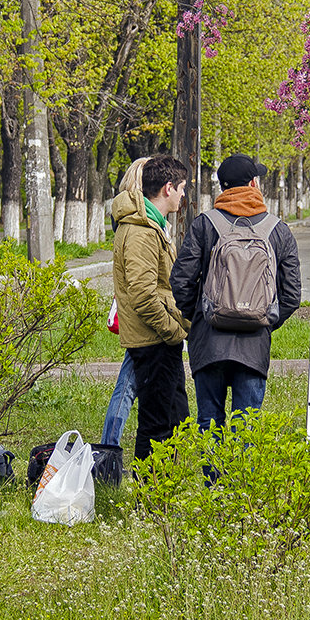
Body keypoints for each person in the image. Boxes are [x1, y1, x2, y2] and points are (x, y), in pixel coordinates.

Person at [170, 154, 301, 430]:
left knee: (209, 421)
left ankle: (213, 476)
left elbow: (181, 280)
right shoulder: (278, 230)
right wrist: (262, 319)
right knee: (247, 426)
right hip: (254, 345)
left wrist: (202, 315)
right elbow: (291, 294)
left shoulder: (204, 224)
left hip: (209, 342)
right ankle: (241, 476)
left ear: (222, 188)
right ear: (254, 183)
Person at [112, 154, 190, 462]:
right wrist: (173, 332)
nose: (184, 195)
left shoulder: (152, 226)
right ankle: (150, 500)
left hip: (160, 339)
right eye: (182, 188)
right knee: (157, 425)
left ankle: (163, 493)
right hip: (153, 340)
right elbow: (142, 294)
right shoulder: (142, 231)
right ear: (168, 188)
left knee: (176, 419)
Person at [101, 157, 150, 449]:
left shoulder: (122, 212)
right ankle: (109, 447)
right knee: (127, 384)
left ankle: (111, 444)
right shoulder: (138, 219)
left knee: (131, 381)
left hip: (131, 303)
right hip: (141, 309)